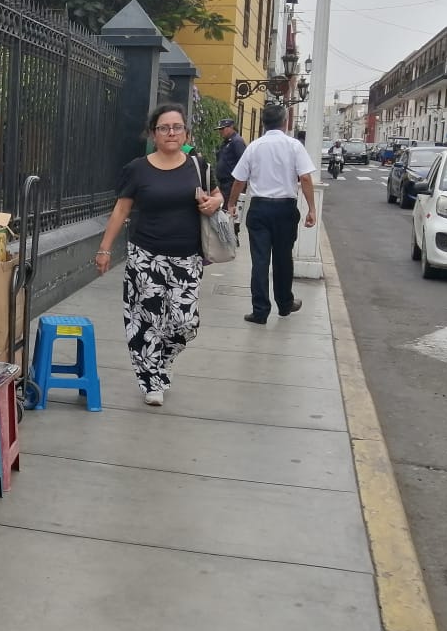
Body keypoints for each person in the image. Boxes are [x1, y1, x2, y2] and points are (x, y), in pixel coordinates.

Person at [95, 103, 223, 407]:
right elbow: (121, 210)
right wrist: (104, 248)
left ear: (186, 133)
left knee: (185, 323)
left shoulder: (199, 166)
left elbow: (217, 194)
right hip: (145, 257)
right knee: (147, 321)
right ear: (153, 133)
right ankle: (152, 380)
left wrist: (215, 202)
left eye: (177, 127)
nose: (171, 133)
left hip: (187, 258)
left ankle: (164, 359)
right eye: (164, 128)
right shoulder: (138, 168)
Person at [226, 102, 318, 325]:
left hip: (259, 208)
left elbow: (239, 180)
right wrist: (311, 208)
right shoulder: (294, 146)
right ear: (285, 122)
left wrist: (231, 204)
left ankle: (260, 310)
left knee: (260, 260)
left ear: (264, 124)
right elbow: (305, 178)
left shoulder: (254, 147)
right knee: (283, 258)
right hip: (285, 208)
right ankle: (285, 304)